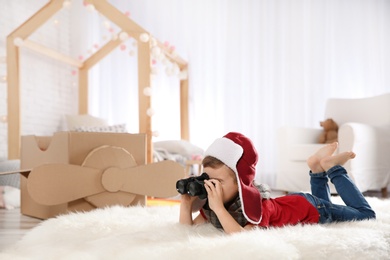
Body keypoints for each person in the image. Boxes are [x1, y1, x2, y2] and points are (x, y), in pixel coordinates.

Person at [179, 132, 376, 234]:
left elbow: (242, 236)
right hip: (300, 202)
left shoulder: (257, 207)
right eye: (206, 179)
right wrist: (186, 206)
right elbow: (187, 231)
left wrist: (220, 210)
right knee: (326, 203)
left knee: (366, 215)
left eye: (218, 182)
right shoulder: (214, 205)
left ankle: (333, 168)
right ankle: (317, 167)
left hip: (312, 209)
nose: (210, 187)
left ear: (240, 183)